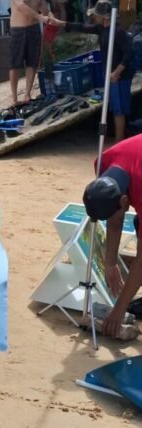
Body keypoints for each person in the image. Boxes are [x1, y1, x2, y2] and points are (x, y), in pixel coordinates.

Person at [82, 138, 142, 336]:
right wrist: (110, 263)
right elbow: (115, 220)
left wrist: (119, 309)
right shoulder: (103, 163)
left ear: (125, 200)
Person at [51, 0, 134, 141]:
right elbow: (81, 27)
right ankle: (119, 138)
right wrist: (60, 23)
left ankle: (119, 140)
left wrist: (116, 72)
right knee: (115, 108)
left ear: (104, 17)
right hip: (111, 74)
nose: (93, 17)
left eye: (95, 15)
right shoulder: (101, 29)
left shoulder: (118, 32)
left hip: (120, 76)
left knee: (119, 109)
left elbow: (129, 54)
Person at [8, 0, 49, 106]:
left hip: (33, 29)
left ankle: (27, 94)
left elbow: (45, 12)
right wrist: (40, 17)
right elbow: (21, 7)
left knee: (32, 62)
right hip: (18, 29)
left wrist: (50, 16)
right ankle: (14, 97)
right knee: (15, 64)